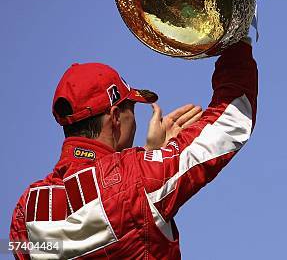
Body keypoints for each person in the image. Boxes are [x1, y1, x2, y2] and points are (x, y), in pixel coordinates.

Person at [9, 37, 257, 259]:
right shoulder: (138, 178)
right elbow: (232, 119)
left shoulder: (26, 209)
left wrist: (152, 154)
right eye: (133, 108)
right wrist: (238, 38)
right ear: (115, 116)